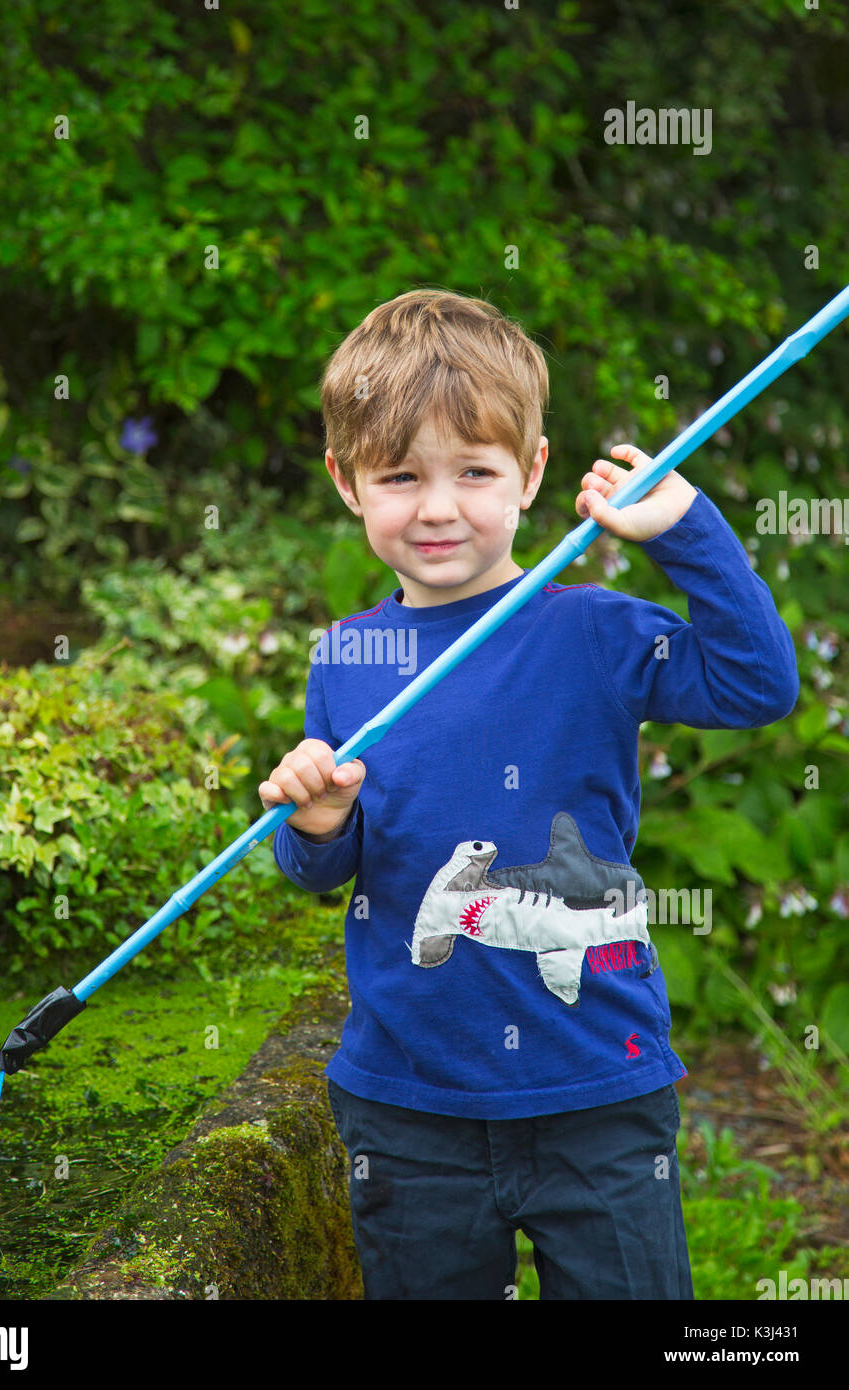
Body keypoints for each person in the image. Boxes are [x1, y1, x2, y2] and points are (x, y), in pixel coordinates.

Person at [260, 288, 799, 1300]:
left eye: (475, 471)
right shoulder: (349, 658)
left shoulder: (593, 631)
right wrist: (317, 823)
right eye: (399, 475)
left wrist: (684, 529)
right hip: (409, 1102)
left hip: (597, 1080)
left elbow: (758, 684)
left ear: (533, 472)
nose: (437, 506)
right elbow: (326, 866)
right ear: (347, 484)